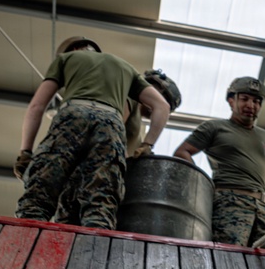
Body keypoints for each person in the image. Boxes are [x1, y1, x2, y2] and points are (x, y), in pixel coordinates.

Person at [14, 35, 170, 230]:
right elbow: (162, 106)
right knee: (100, 204)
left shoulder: (66, 59)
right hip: (111, 124)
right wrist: (147, 144)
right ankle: (96, 248)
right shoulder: (124, 66)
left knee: (39, 195)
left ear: (70, 51)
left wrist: (25, 152)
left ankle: (26, 243)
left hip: (73, 115)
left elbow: (37, 106)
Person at [52, 69, 182, 226]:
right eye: (163, 97)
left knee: (72, 226)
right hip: (98, 173)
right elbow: (112, 130)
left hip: (95, 175)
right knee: (93, 221)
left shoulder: (138, 127)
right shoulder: (129, 98)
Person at [173, 77, 265, 250]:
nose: (250, 105)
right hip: (230, 202)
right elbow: (182, 152)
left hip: (262, 209)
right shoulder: (215, 128)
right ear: (231, 101)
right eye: (244, 99)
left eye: (256, 101)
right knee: (230, 256)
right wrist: (203, 185)